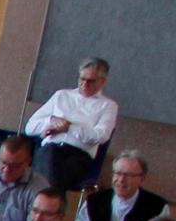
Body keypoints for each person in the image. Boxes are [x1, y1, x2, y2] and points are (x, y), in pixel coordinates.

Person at [26, 56, 119, 190]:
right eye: (82, 79)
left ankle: (43, 201)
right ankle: (51, 202)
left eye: (91, 81)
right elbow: (29, 127)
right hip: (50, 149)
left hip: (78, 156)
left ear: (102, 82)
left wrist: (69, 128)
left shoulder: (108, 106)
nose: (84, 84)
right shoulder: (61, 95)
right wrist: (51, 121)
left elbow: (101, 136)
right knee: (49, 157)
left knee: (51, 171)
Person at [74, 150, 168, 221]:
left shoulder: (158, 207)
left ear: (142, 178)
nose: (121, 180)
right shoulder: (94, 201)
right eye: (118, 173)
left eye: (129, 175)